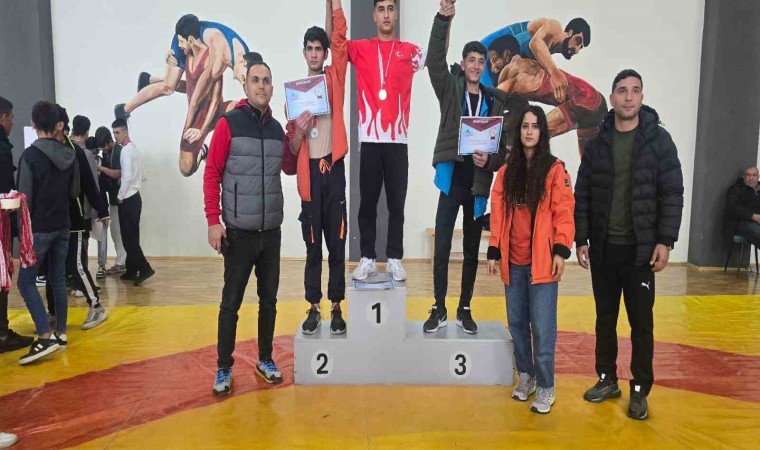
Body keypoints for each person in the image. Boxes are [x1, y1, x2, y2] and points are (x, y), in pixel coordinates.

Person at [574, 69, 684, 420]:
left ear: (642, 97)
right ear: (612, 97)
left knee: (641, 324)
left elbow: (673, 193)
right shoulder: (599, 142)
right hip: (604, 249)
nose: (628, 97)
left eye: (635, 90)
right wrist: (581, 238)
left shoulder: (659, 141)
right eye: (622, 90)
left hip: (640, 252)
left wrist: (665, 240)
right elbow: (583, 192)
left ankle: (639, 389)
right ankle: (607, 379)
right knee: (605, 320)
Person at [424, 0, 529, 334]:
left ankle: (464, 307)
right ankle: (439, 306)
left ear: (484, 66)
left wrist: (491, 161)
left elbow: (502, 148)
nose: (475, 65)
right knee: (442, 247)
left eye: (480, 61)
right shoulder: (450, 90)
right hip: (452, 180)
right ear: (464, 63)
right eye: (471, 60)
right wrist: (443, 19)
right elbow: (434, 60)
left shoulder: (493, 99)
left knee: (471, 251)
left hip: (478, 184)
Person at [204, 52, 296, 395]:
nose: (261, 86)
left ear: (272, 88)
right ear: (245, 85)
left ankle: (265, 359)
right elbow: (212, 173)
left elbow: (289, 167)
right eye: (255, 80)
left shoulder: (275, 129)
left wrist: (297, 133)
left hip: (271, 232)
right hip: (239, 233)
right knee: (231, 304)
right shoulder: (228, 124)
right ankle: (223, 367)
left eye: (266, 81)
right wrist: (213, 221)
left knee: (268, 302)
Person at [486, 106, 575, 414]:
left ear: (542, 132)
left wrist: (561, 249)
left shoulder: (554, 169)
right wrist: (495, 249)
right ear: (519, 131)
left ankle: (546, 385)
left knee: (542, 327)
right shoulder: (506, 172)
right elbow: (498, 212)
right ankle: (527, 376)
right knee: (517, 324)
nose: (529, 131)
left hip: (542, 264)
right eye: (525, 126)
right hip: (514, 262)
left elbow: (564, 211)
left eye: (535, 126)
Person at [348, 0, 428, 281]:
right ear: (374, 15)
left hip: (397, 141)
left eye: (390, 9)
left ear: (396, 14)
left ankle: (394, 258)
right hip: (370, 140)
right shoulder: (360, 48)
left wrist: (446, 19)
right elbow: (335, 42)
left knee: (396, 204)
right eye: (381, 8)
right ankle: (367, 258)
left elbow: (437, 53)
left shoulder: (409, 51)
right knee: (367, 204)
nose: (385, 14)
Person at [115, 15, 249, 177]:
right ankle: (125, 108)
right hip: (190, 42)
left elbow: (209, 95)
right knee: (169, 86)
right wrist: (190, 128)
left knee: (240, 107)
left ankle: (148, 80)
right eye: (243, 78)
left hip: (204, 86)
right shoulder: (217, 49)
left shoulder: (230, 57)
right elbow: (197, 96)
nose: (240, 80)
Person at [287, 0, 349, 336]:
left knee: (336, 244)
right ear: (304, 52)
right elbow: (293, 148)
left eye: (318, 49)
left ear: (324, 53)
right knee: (313, 246)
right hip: (309, 175)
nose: (314, 53)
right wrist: (298, 130)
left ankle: (337, 306)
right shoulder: (295, 96)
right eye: (309, 49)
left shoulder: (332, 77)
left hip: (332, 169)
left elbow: (338, 36)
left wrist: (333, 4)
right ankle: (313, 307)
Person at [16, 100, 80, 365]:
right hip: (62, 224)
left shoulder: (29, 156)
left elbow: (24, 200)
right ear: (57, 125)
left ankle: (44, 334)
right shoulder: (70, 154)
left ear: (33, 124)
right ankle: (61, 332)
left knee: (25, 282)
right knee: (57, 278)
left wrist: (21, 234)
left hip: (39, 228)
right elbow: (74, 192)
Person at [45, 107, 110, 331]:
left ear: (60, 126)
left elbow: (90, 185)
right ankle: (53, 314)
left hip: (74, 219)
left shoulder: (76, 152)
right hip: (52, 220)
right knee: (53, 269)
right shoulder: (45, 151)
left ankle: (96, 306)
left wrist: (102, 211)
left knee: (75, 265)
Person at [496, 54, 606, 155]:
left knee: (529, 136)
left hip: (585, 100)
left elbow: (495, 102)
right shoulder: (523, 67)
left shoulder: (515, 78)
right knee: (588, 165)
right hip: (595, 104)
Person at [0, 95, 34, 353]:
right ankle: (2, 334)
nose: (13, 122)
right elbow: (5, 195)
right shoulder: (2, 149)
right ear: (3, 118)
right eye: (11, 118)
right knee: (1, 276)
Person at [481, 17, 591, 96]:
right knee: (534, 71)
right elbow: (535, 43)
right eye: (578, 41)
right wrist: (554, 72)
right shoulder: (555, 28)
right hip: (493, 52)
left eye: (580, 47)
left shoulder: (549, 52)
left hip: (501, 66)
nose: (576, 49)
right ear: (570, 32)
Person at [112, 119, 154, 286]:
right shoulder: (134, 149)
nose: (115, 136)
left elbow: (127, 176)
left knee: (129, 238)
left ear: (125, 132)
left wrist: (120, 195)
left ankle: (145, 268)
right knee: (131, 236)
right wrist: (134, 184)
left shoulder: (125, 151)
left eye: (117, 132)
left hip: (128, 199)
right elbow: (141, 174)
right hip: (135, 197)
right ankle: (131, 269)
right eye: (114, 133)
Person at [95, 127, 128, 275]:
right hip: (113, 198)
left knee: (120, 232)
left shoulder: (120, 151)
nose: (103, 150)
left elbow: (119, 173)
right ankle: (121, 261)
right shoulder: (106, 152)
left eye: (104, 146)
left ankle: (122, 262)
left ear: (110, 140)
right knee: (115, 232)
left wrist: (102, 169)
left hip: (122, 199)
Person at [725, 166, 760, 248]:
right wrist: (752, 216)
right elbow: (731, 208)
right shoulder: (736, 189)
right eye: (748, 175)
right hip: (741, 222)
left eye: (754, 175)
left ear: (758, 177)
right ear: (744, 177)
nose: (751, 178)